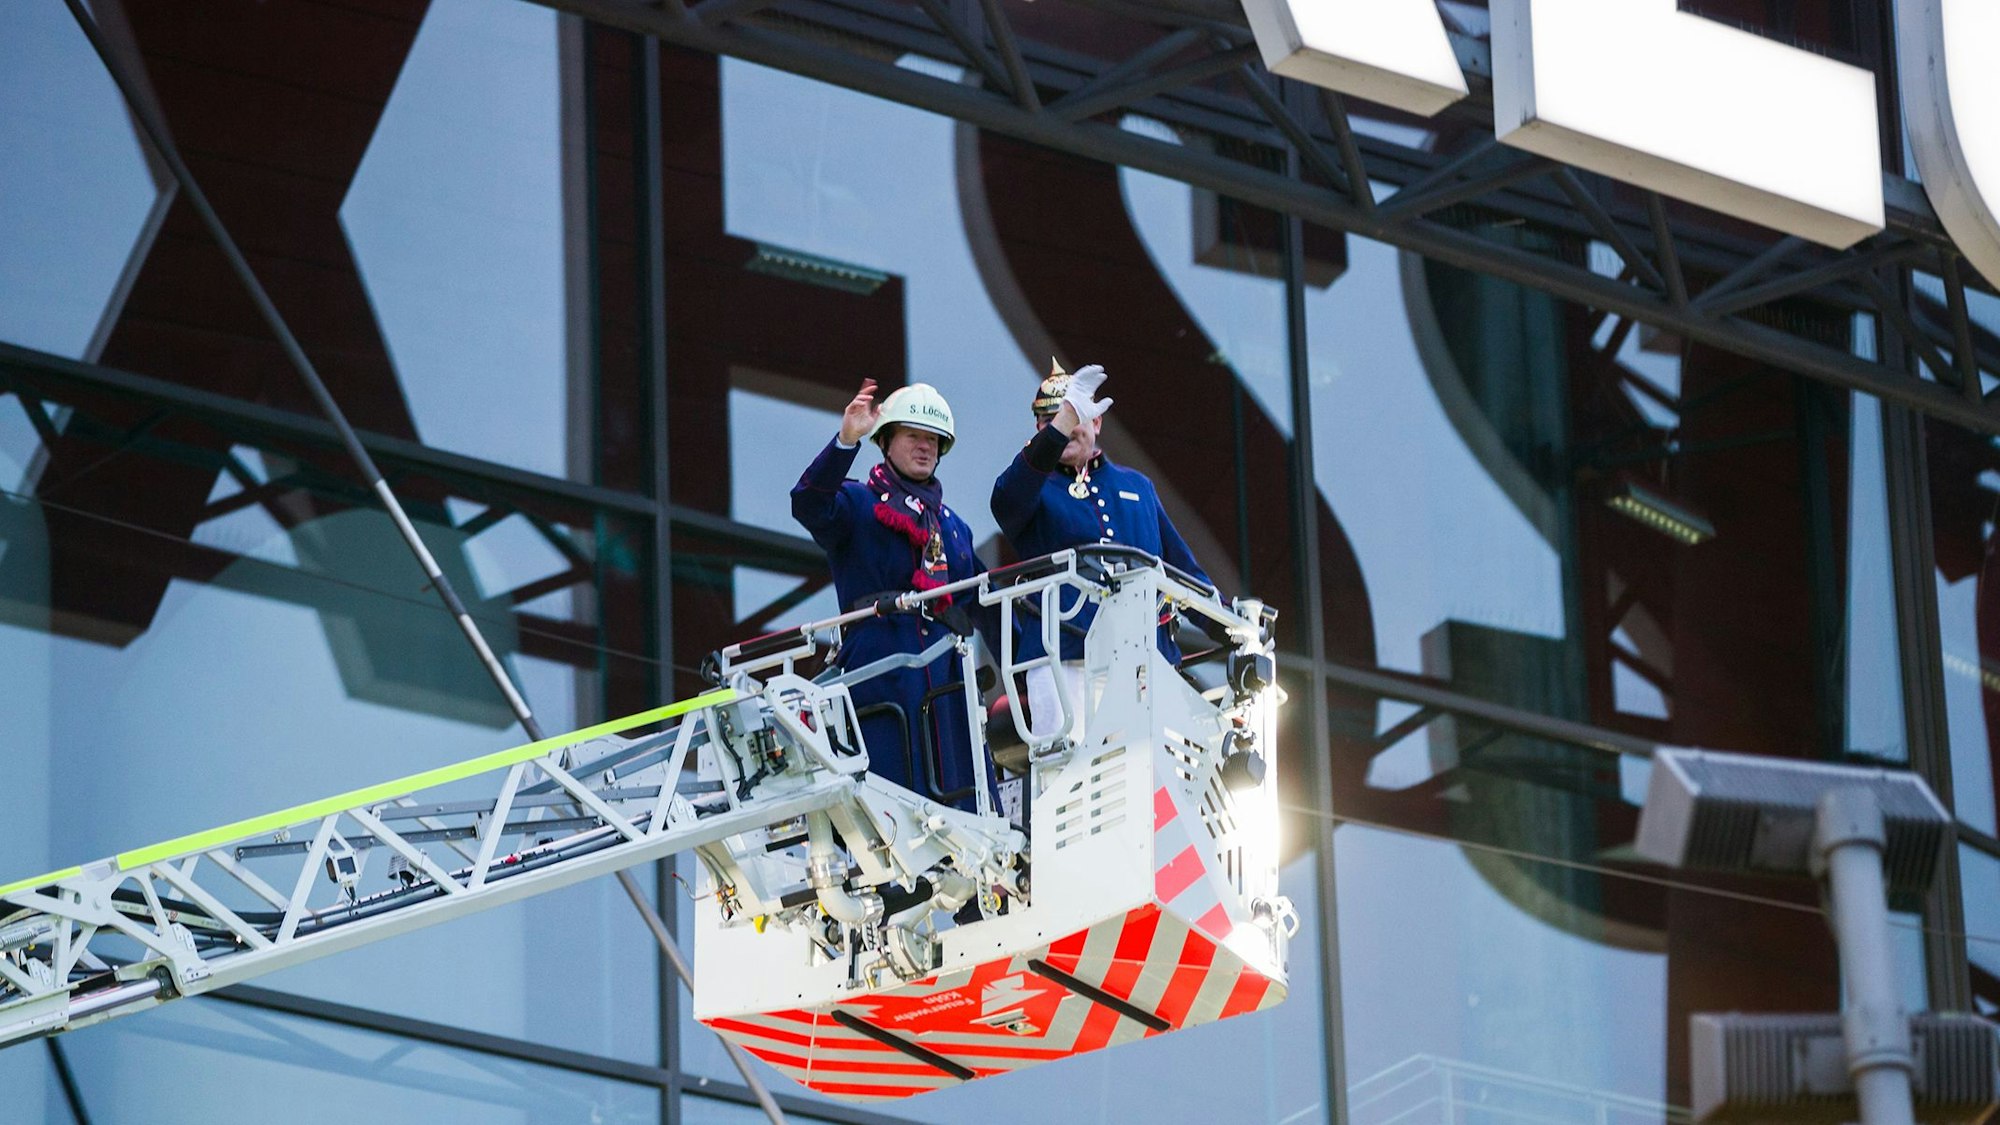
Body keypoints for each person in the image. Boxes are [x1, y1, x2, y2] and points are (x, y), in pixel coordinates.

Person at [991, 361, 1213, 739]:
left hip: (1144, 661)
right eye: (1054, 421)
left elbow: (1184, 572)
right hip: (1065, 659)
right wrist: (1064, 420)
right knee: (1069, 779)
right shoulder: (1032, 486)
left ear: (1097, 422)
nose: (1067, 426)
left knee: (1155, 782)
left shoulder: (1137, 486)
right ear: (1041, 430)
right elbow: (1005, 501)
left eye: (1079, 416)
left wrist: (1232, 623)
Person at [792, 379, 988, 805]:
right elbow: (808, 504)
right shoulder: (859, 504)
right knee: (887, 801)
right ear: (885, 441)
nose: (926, 446)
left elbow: (984, 602)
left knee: (963, 802)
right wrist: (846, 441)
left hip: (946, 679)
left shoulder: (955, 527)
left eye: (934, 439)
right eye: (913, 435)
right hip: (881, 667)